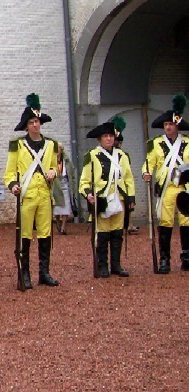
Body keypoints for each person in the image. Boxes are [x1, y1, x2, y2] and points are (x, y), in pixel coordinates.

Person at [3, 93, 61, 288]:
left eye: (37, 121)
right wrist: (13, 186)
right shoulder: (17, 145)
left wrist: (53, 172)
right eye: (32, 122)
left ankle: (44, 272)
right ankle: (24, 273)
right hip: (26, 196)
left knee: (45, 234)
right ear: (26, 126)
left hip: (44, 194)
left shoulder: (51, 145)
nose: (35, 125)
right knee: (25, 235)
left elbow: (55, 166)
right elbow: (10, 173)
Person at [79, 116, 135, 278]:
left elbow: (128, 178)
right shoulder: (92, 156)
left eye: (111, 136)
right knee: (102, 234)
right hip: (101, 199)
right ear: (100, 139)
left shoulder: (122, 156)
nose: (109, 138)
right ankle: (102, 265)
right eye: (105, 136)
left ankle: (116, 265)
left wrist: (131, 198)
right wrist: (88, 194)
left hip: (119, 198)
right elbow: (84, 181)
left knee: (117, 233)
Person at [142, 94, 189, 273]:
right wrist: (146, 173)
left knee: (187, 221)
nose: (168, 127)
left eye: (171, 124)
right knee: (165, 222)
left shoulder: (187, 142)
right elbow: (149, 163)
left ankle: (186, 256)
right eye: (166, 125)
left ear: (177, 125)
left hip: (184, 187)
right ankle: (165, 259)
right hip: (167, 188)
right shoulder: (155, 144)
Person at [52, 143, 74, 235]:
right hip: (56, 185)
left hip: (65, 183)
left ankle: (63, 227)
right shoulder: (51, 160)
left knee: (66, 206)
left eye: (59, 149)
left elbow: (71, 171)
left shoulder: (66, 160)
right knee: (56, 207)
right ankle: (57, 222)